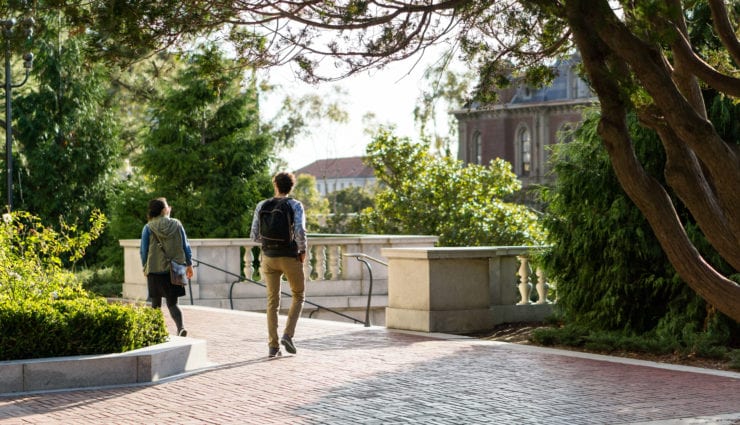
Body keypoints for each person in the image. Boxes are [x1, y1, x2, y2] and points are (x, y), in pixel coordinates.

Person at [250, 172, 307, 358]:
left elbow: (254, 236)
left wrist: (270, 242)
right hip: (290, 256)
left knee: (272, 302)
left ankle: (273, 346)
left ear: (275, 185)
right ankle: (288, 335)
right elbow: (300, 230)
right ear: (291, 187)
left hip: (268, 257)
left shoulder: (262, 205)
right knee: (298, 295)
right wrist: (302, 250)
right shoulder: (295, 205)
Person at [140, 197, 194, 337]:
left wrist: (145, 267)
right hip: (175, 270)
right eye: (167, 207)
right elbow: (185, 246)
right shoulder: (177, 224)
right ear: (164, 210)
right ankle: (181, 328)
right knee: (173, 303)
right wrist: (189, 264)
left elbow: (143, 250)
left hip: (154, 270)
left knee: (155, 303)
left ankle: (154, 331)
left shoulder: (148, 227)